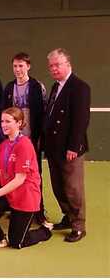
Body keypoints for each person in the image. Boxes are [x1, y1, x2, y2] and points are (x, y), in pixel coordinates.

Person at [0, 107, 53, 251]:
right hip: (9, 194)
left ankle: (45, 231)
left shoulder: (25, 145)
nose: (3, 124)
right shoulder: (4, 145)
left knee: (17, 242)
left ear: (19, 123)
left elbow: (19, 180)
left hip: (25, 198)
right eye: (2, 121)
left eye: (8, 121)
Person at [44, 48, 91, 242]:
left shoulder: (80, 87)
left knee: (73, 188)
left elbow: (81, 120)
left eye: (58, 65)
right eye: (51, 66)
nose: (54, 69)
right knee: (58, 187)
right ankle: (68, 216)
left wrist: (73, 146)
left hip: (69, 149)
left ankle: (79, 225)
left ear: (68, 65)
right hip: (54, 147)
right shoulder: (56, 86)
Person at [2, 52, 48, 223]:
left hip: (31, 140)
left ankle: (38, 212)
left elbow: (43, 114)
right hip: (14, 141)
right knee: (13, 175)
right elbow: (4, 113)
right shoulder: (8, 88)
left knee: (34, 176)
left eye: (21, 65)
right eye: (15, 66)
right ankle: (15, 208)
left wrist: (40, 138)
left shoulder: (37, 86)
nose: (18, 69)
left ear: (28, 66)